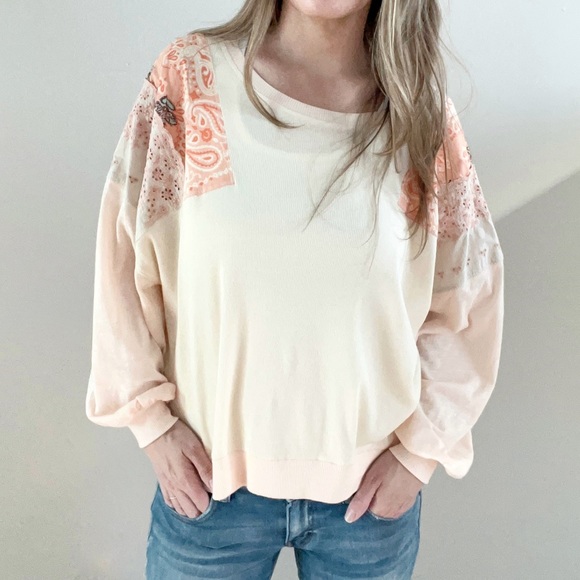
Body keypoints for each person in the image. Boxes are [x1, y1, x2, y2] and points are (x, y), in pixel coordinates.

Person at [85, 0, 505, 578]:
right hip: (210, 489)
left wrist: (418, 455)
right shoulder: (190, 78)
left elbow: (469, 291)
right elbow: (124, 253)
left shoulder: (421, 115)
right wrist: (151, 424)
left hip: (366, 504)